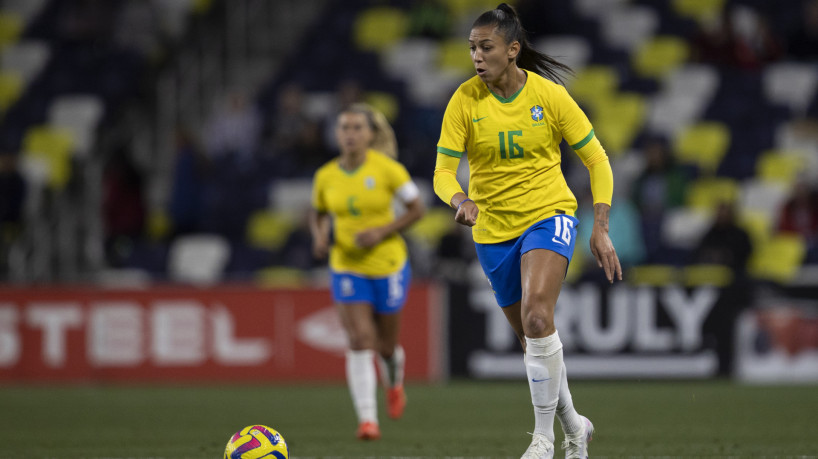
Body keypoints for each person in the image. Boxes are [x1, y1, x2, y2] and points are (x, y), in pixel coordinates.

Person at [432, 4, 621, 458]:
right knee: (534, 340)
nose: (476, 56)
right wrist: (460, 200)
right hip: (492, 229)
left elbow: (597, 159)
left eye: (486, 47)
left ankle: (542, 441)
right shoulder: (463, 100)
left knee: (538, 317)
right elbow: (441, 172)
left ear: (512, 50)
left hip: (548, 214)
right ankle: (576, 427)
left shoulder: (548, 96)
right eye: (472, 48)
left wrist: (600, 226)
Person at [310, 103, 425, 441]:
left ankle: (395, 384)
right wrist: (319, 236)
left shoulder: (389, 170)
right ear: (336, 134)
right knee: (361, 339)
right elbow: (318, 213)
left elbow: (417, 209)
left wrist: (382, 231)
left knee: (386, 347)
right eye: (344, 127)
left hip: (387, 265)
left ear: (371, 134)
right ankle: (367, 420)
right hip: (346, 265)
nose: (350, 134)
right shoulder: (325, 176)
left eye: (357, 128)